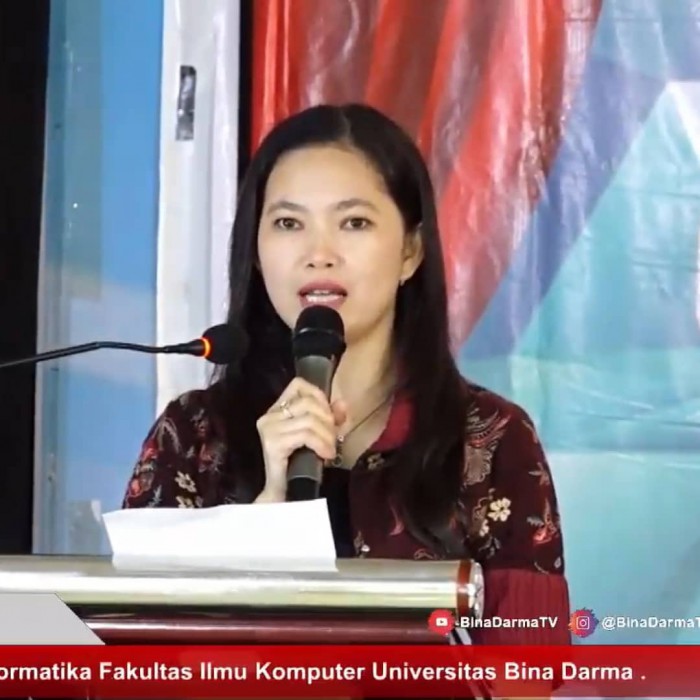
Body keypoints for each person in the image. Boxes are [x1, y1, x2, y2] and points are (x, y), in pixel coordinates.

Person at [122, 104, 571, 654]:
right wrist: (266, 515)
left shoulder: (491, 437)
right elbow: (141, 660)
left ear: (410, 251)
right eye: (288, 223)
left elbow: (526, 671)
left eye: (354, 222)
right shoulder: (191, 436)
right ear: (256, 253)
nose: (319, 255)